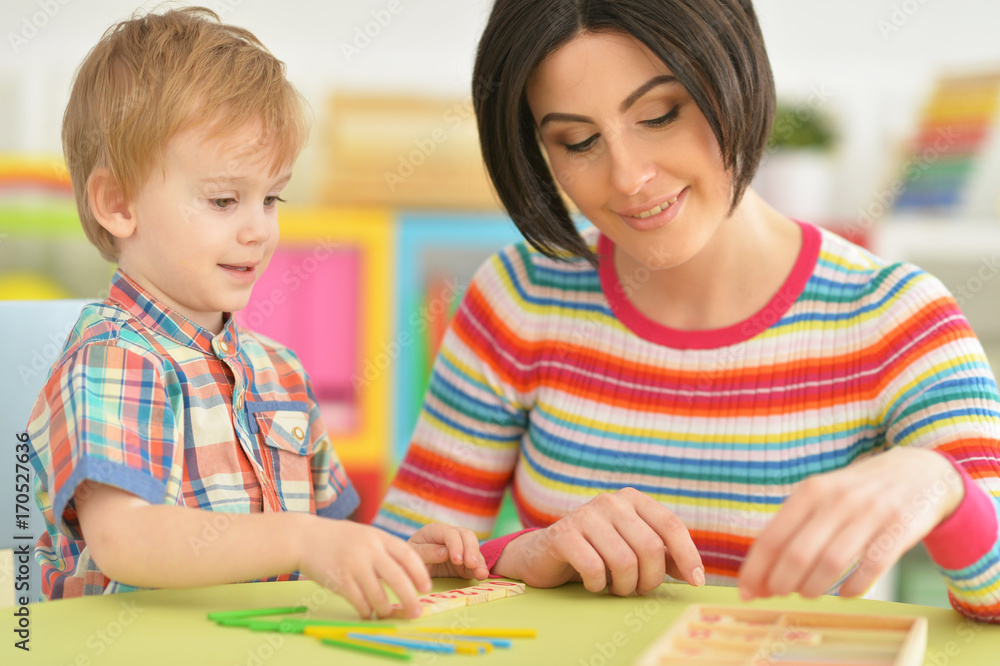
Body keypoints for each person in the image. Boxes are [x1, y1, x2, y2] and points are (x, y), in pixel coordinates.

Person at [375, 0, 1000, 622]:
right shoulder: (519, 296)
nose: (628, 178)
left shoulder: (894, 316)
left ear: (736, 75)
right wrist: (519, 552)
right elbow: (389, 573)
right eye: (578, 140)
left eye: (659, 114)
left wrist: (945, 487)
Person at [24, 7, 487, 618]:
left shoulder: (281, 373)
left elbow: (326, 543)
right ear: (117, 203)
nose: (259, 230)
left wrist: (395, 553)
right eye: (223, 199)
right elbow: (125, 542)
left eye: (270, 198)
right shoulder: (112, 357)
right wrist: (301, 538)